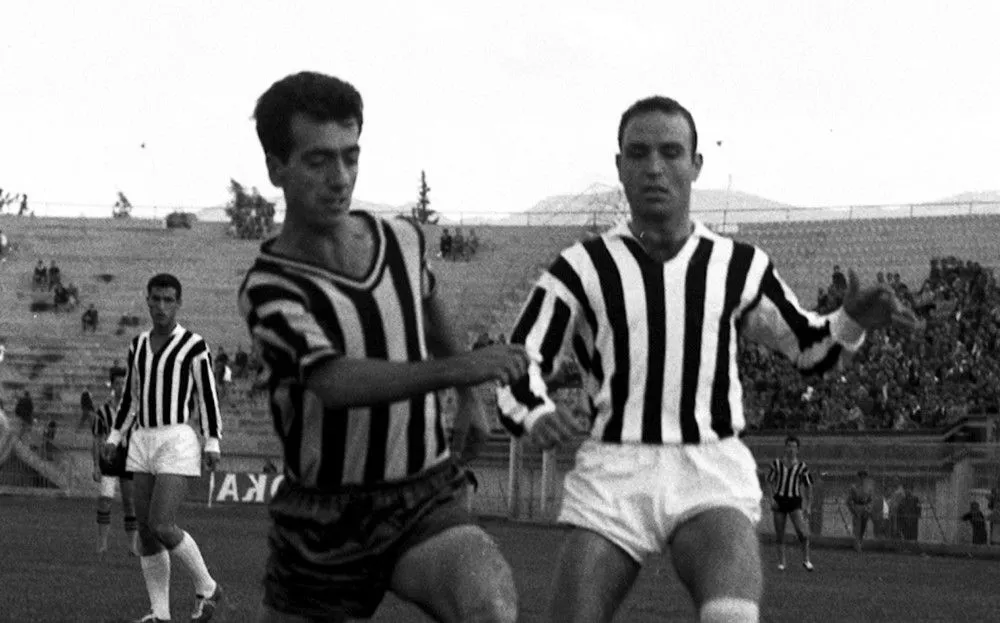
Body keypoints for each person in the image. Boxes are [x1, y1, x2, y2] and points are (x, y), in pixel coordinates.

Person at [495, 96, 920, 623]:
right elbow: (518, 359)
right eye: (639, 153)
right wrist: (535, 413)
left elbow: (809, 348)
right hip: (613, 470)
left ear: (696, 165)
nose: (655, 167)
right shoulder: (579, 268)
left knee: (732, 615)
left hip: (709, 468)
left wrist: (849, 321)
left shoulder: (739, 264)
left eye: (671, 152)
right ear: (620, 166)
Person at [239, 71, 530, 623]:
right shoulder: (270, 286)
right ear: (276, 169)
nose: (339, 178)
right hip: (324, 524)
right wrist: (460, 371)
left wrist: (470, 398)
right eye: (318, 161)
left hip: (424, 495)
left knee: (490, 606)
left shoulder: (401, 240)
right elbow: (333, 381)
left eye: (350, 157)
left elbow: (430, 308)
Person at [102, 273, 225, 623]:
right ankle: (160, 613)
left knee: (161, 524)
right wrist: (114, 437)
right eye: (155, 299)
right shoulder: (138, 344)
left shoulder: (194, 345)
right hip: (142, 439)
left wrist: (212, 439)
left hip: (176, 439)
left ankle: (208, 587)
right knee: (145, 531)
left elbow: (208, 394)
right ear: (147, 300)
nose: (161, 306)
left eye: (168, 300)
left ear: (178, 303)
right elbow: (130, 398)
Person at [91, 369, 139, 555]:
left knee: (130, 502)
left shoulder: (134, 411)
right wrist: (96, 465)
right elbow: (97, 439)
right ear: (112, 385)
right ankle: (102, 544)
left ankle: (133, 546)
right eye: (117, 383)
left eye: (123, 383)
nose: (120, 387)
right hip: (110, 457)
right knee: (105, 499)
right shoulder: (102, 411)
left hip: (129, 457)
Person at [764, 435, 814, 571]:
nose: (791, 449)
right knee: (780, 533)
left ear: (798, 450)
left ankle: (806, 560)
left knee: (803, 532)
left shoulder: (802, 467)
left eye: (794, 447)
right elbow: (768, 481)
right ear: (785, 448)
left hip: (794, 501)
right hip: (779, 500)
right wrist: (771, 499)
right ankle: (782, 563)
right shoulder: (777, 464)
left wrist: (808, 505)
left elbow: (809, 485)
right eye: (789, 446)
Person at [847, 470, 876, 552]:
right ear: (858, 478)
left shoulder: (868, 488)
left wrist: (869, 508)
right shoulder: (853, 487)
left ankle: (860, 542)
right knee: (857, 527)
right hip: (857, 506)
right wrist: (852, 509)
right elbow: (849, 500)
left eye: (864, 477)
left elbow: (871, 499)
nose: (863, 479)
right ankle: (857, 544)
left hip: (865, 507)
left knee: (863, 526)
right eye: (861, 477)